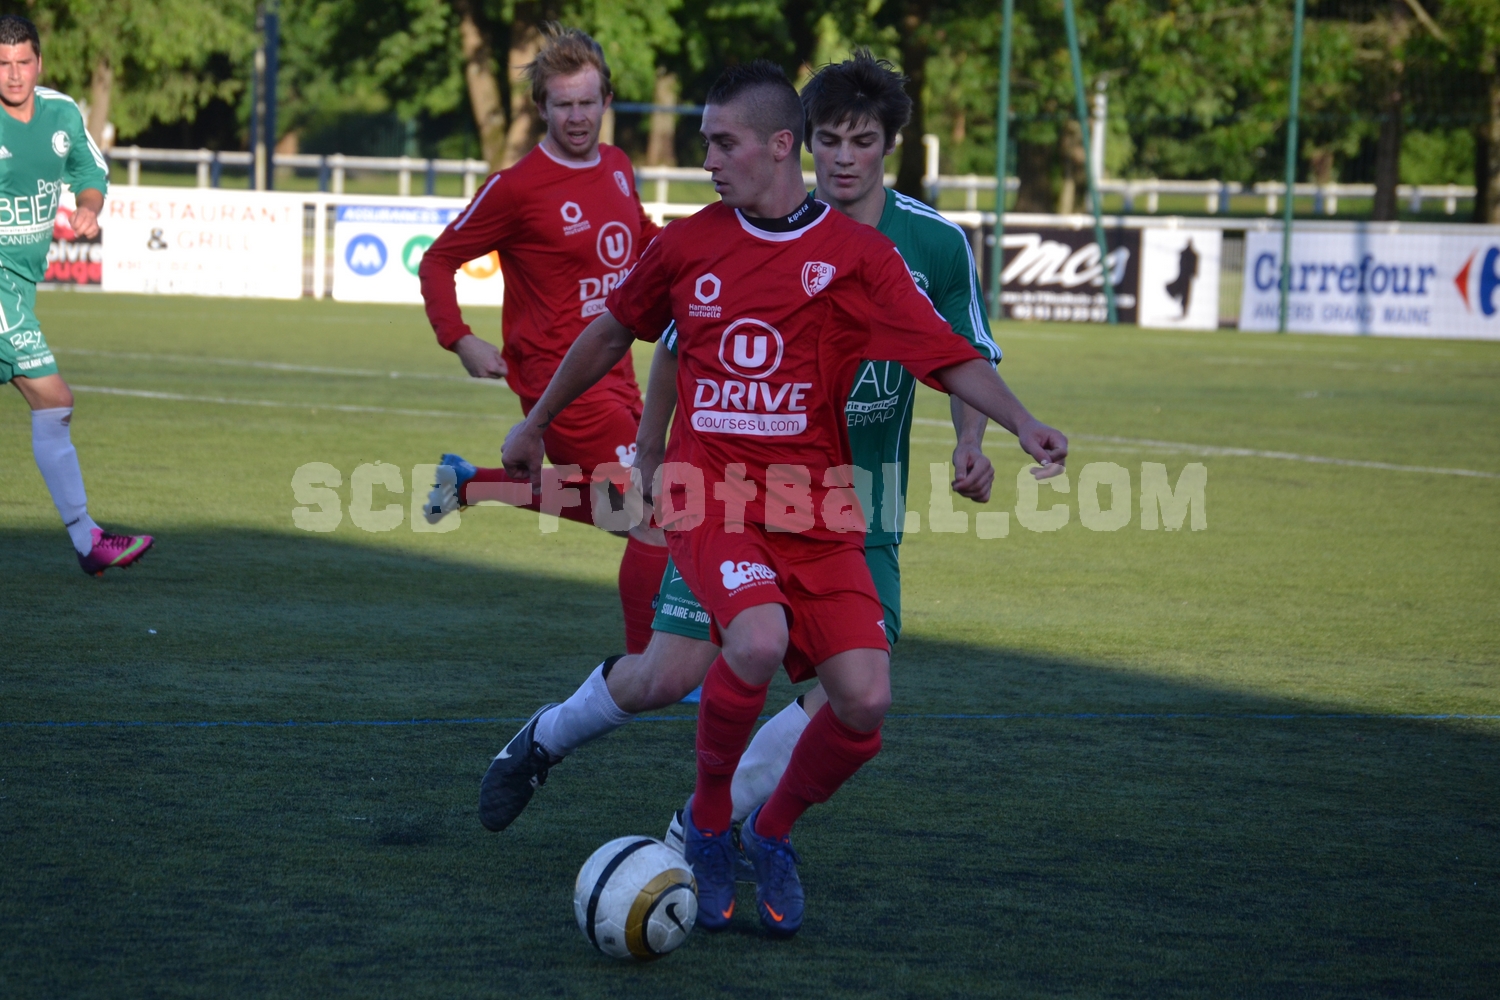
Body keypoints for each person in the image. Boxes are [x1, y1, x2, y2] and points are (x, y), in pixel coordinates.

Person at [498, 61, 1068, 937]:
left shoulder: (878, 255)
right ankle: (682, 809)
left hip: (834, 508)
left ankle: (766, 829)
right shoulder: (690, 243)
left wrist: (1014, 426)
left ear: (777, 146)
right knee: (711, 657)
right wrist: (556, 427)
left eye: (721, 143)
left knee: (864, 703)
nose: (707, 161)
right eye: (705, 144)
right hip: (713, 498)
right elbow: (629, 333)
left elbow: (947, 351)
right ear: (807, 142)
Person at [416, 25, 669, 653]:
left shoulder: (617, 166)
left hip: (617, 368)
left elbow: (636, 233)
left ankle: (472, 484)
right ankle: (646, 665)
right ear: (542, 108)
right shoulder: (517, 189)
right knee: (648, 509)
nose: (577, 117)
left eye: (588, 102)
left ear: (606, 99)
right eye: (564, 104)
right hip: (558, 377)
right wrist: (460, 338)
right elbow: (437, 261)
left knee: (635, 504)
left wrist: (684, 250)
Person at [0, 15, 152, 576]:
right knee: (54, 398)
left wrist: (88, 206)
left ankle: (87, 541)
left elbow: (91, 170)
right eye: (1, 63)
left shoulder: (62, 112)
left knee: (52, 402)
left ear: (38, 63)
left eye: (22, 62)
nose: (13, 74)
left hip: (18, 283)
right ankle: (88, 541)